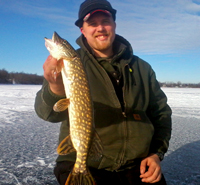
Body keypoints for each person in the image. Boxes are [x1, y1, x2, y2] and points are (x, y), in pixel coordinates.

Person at [35, 0, 172, 184]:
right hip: (86, 162)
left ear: (114, 25)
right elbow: (48, 113)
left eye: (105, 21)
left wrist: (157, 153)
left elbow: (161, 114)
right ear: (82, 30)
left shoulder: (142, 68)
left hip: (137, 166)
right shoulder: (70, 64)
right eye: (92, 23)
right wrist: (55, 86)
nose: (100, 28)